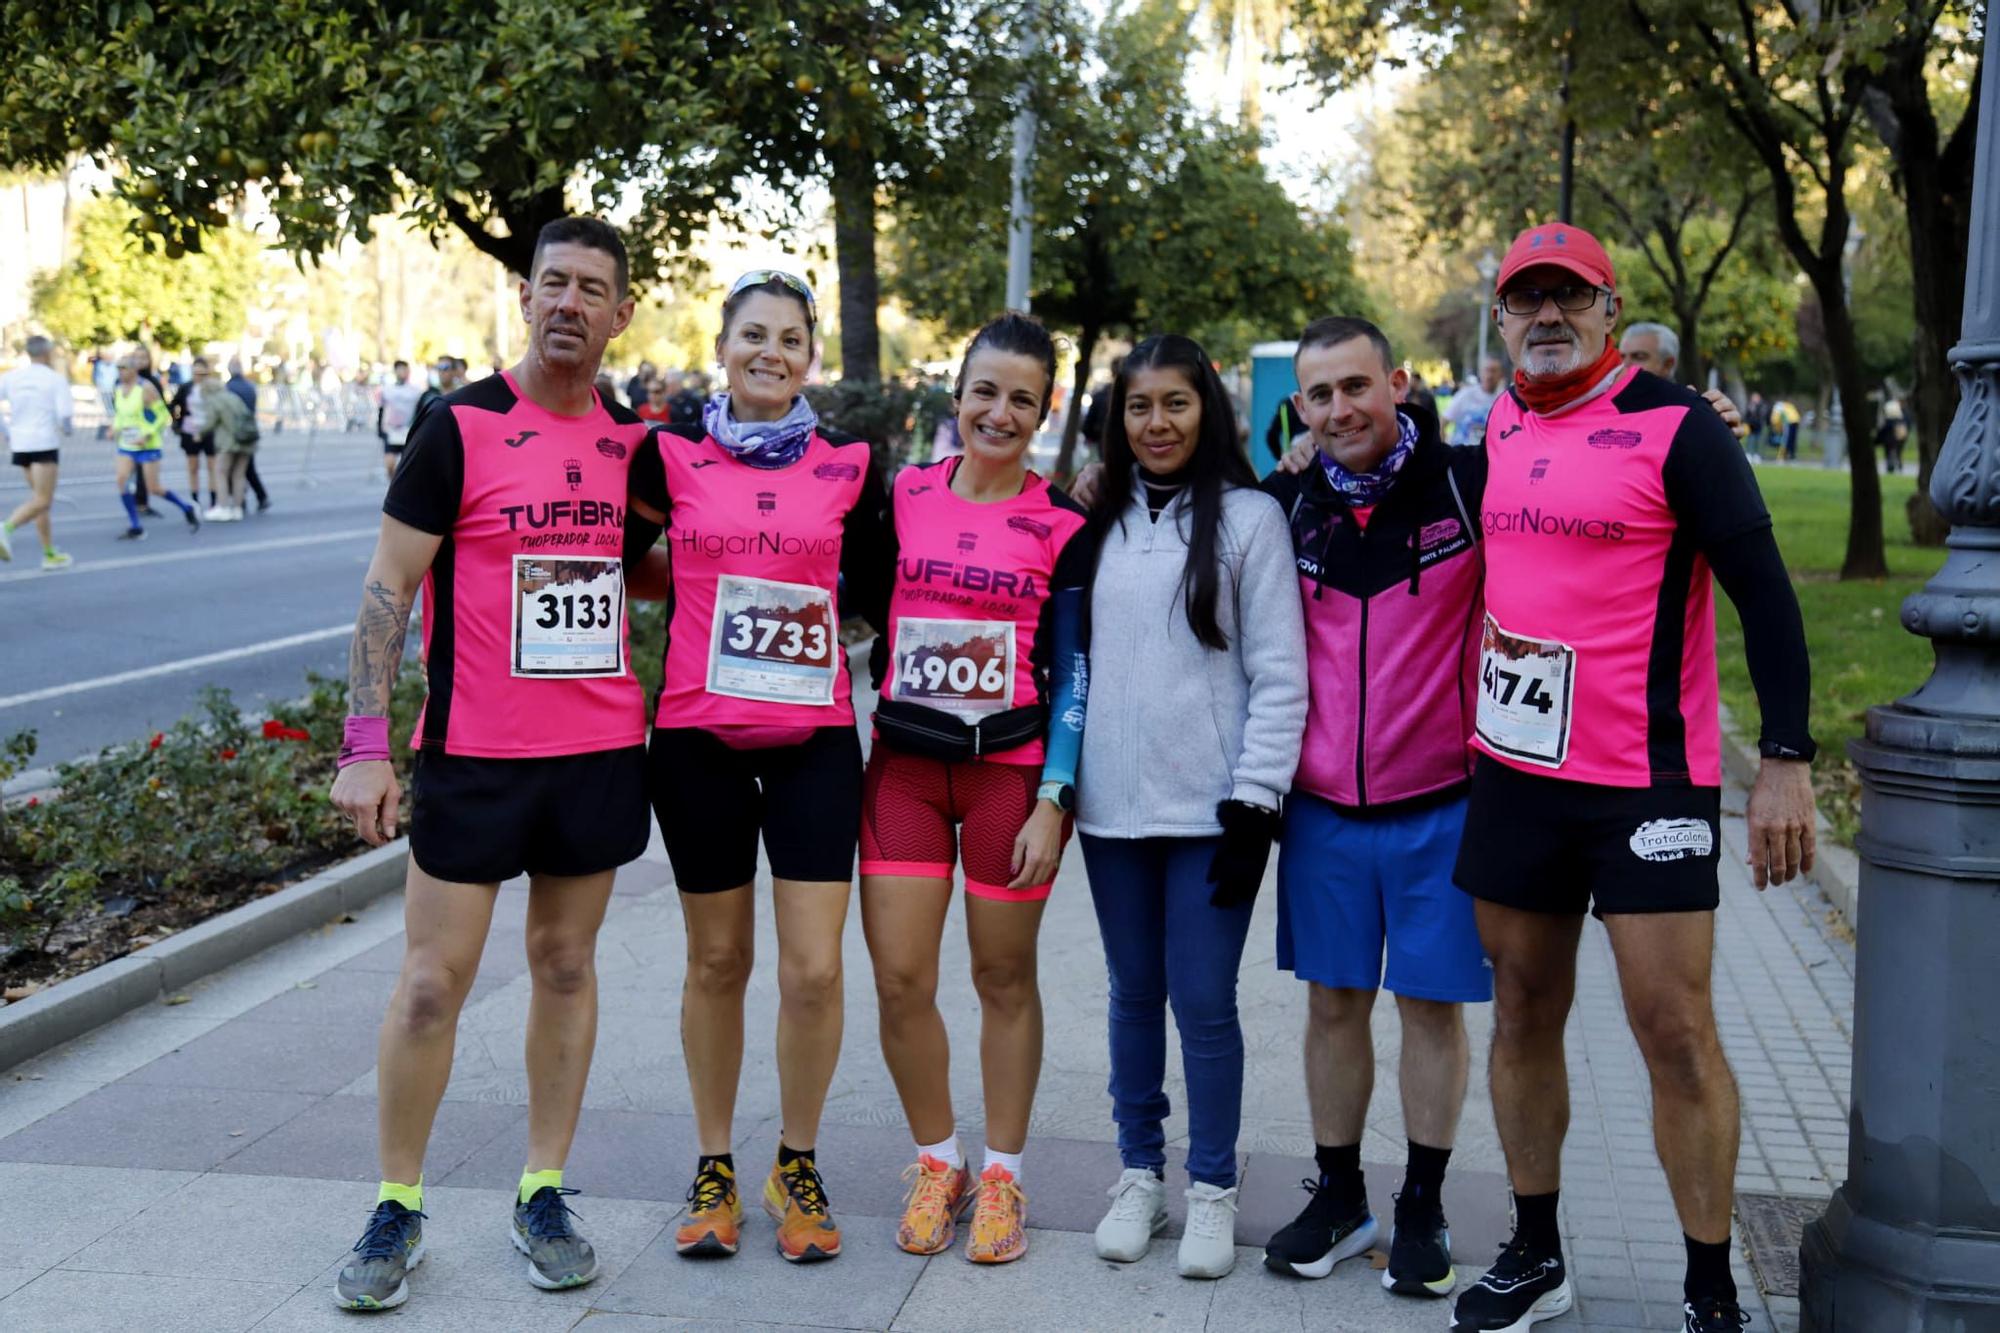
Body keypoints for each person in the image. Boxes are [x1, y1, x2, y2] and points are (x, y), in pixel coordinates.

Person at [1447, 223, 1815, 1333]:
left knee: (1671, 1026)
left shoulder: (1675, 426)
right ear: (1501, 317)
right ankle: (1533, 1250)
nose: (1545, 316)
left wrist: (1785, 760)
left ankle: (1710, 1292)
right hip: (1513, 773)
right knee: (1518, 1008)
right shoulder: (1498, 421)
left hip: (1645, 780)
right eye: (1525, 299)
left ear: (1610, 310)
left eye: (1569, 296)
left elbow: (1764, 593)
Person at [326, 217, 653, 1311]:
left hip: (598, 750)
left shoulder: (636, 446)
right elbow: (387, 587)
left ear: (621, 312)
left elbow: (648, 572)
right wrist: (365, 746)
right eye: (551, 282)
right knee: (430, 984)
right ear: (524, 294)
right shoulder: (457, 426)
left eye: (590, 288)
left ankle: (542, 1188)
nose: (568, 302)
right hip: (474, 756)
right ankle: (397, 1203)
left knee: (564, 967)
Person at [621, 268, 894, 1265]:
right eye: (752, 335)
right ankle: (712, 1164)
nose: (770, 352)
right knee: (717, 961)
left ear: (809, 356)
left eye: (789, 338)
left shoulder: (849, 465)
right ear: (721, 345)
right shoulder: (669, 456)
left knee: (814, 968)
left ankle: (796, 1157)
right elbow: (616, 560)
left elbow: (877, 587)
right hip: (695, 740)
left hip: (815, 740)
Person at [1256, 317, 1490, 1300]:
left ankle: (1422, 1205)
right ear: (1298, 409)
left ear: (1395, 382)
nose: (1342, 408)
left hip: (1441, 801)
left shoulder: (1466, 485)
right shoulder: (1278, 505)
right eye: (1321, 395)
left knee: (1428, 1006)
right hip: (1320, 810)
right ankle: (1341, 1192)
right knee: (1332, 1002)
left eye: (1357, 386)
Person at [858, 313, 1089, 1266]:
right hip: (906, 769)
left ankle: (1002, 1174)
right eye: (985, 391)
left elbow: (1077, 671)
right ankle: (937, 1158)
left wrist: (1056, 794)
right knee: (902, 977)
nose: (1000, 411)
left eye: (1022, 398)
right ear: (956, 397)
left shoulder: (1066, 523)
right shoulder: (903, 495)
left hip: (1008, 775)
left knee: (1003, 978)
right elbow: (843, 602)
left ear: (1045, 411)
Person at [1077, 333, 1306, 1281]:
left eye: (1175, 403)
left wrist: (1257, 801)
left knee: (1205, 1004)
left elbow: (1281, 674)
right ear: (1118, 418)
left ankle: (1211, 1187)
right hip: (1111, 816)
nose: (1157, 422)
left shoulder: (1251, 520)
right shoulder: (1095, 520)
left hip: (1215, 814)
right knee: (1133, 996)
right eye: (1139, 406)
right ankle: (1141, 1175)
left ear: (1205, 408)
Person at [0, 334, 76, 569]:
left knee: (39, 501)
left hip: (21, 443)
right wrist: (67, 430)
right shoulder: (55, 379)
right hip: (43, 442)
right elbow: (65, 415)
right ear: (47, 353)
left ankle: (49, 553)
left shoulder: (11, 377)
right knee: (43, 499)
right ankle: (5, 528)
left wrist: (6, 430)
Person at [110, 354, 199, 540]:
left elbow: (163, 415)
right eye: (118, 368)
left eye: (124, 368)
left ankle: (186, 507)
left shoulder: (145, 388)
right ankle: (136, 525)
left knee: (154, 488)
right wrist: (115, 428)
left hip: (147, 445)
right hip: (127, 444)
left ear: (134, 369)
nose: (120, 372)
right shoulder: (118, 389)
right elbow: (121, 414)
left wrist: (148, 432)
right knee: (121, 480)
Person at [200, 363, 258, 520]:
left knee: (220, 472)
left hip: (228, 442)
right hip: (247, 439)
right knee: (239, 475)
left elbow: (210, 423)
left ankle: (223, 506)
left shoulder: (215, 401)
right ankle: (238, 508)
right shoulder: (233, 397)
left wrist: (198, 433)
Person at [170, 356, 220, 508]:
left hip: (209, 429)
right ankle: (195, 499)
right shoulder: (186, 387)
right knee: (193, 466)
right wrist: (177, 421)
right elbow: (174, 404)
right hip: (190, 429)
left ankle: (214, 499)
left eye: (203, 374)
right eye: (196, 373)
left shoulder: (213, 389)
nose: (199, 377)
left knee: (212, 465)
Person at [225, 358, 271, 512]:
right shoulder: (249, 387)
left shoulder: (228, 388)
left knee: (234, 468)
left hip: (234, 431)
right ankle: (259, 496)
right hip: (249, 431)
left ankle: (241, 498)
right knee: (248, 467)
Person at [377, 360, 425, 481]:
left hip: (409, 431)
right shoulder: (387, 390)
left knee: (407, 466)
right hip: (392, 431)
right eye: (399, 369)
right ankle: (394, 486)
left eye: (404, 369)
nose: (402, 372)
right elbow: (381, 409)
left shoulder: (416, 391)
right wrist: (380, 430)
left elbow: (421, 409)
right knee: (390, 465)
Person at [1443, 356, 1503, 447]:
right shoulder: (1465, 395)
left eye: (1494, 371)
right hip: (1461, 456)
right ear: (1480, 372)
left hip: (1487, 459)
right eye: (1487, 370)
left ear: (1500, 375)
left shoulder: (1504, 400)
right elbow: (1443, 422)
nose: (1490, 375)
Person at [1877, 394, 1908, 474]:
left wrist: (1877, 440)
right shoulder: (1901, 421)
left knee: (1889, 453)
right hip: (1900, 440)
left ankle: (1890, 465)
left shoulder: (1889, 422)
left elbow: (1883, 432)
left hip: (1889, 441)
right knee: (1898, 452)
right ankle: (1898, 463)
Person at [1743, 392, 1769, 458]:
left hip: (1758, 425)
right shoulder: (1750, 405)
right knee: (1750, 440)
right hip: (1751, 425)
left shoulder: (1762, 406)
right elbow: (1746, 415)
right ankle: (1749, 453)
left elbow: (1763, 415)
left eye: (1755, 398)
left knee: (1758, 440)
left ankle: (1756, 454)